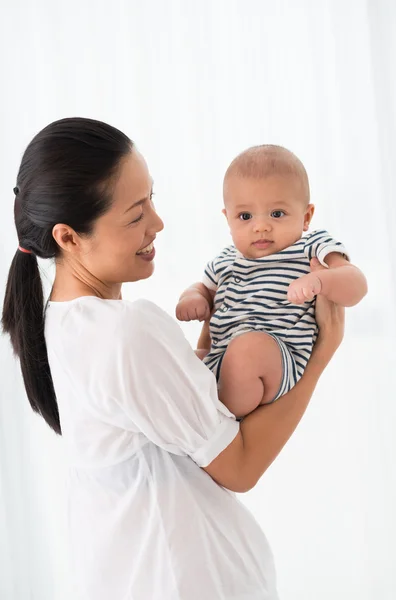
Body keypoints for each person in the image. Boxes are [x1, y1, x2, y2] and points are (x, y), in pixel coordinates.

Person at [2, 118, 344, 600]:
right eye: (135, 213)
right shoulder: (127, 330)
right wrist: (321, 355)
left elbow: (185, 413)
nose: (157, 223)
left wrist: (215, 331)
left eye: (152, 200)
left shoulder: (61, 323)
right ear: (69, 237)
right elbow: (239, 467)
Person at [177, 145, 367, 418]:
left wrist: (322, 281)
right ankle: (195, 413)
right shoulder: (227, 259)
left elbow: (357, 284)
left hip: (278, 357)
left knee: (248, 349)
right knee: (176, 359)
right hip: (219, 357)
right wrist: (193, 298)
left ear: (306, 217)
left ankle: (216, 419)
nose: (261, 226)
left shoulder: (311, 247)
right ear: (227, 219)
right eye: (245, 216)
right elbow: (203, 288)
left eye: (277, 214)